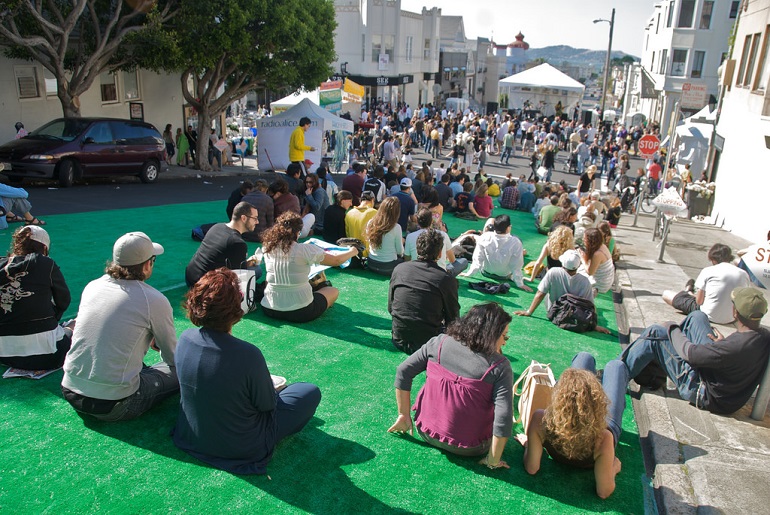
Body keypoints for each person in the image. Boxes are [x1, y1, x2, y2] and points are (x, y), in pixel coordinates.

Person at [172, 268, 321, 474]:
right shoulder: (247, 354)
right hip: (242, 445)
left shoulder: (185, 338)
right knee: (308, 392)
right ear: (237, 304)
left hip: (192, 435)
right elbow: (267, 405)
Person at [61, 232, 178, 421]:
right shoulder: (154, 299)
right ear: (148, 264)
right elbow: (173, 357)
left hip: (70, 389)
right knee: (183, 369)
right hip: (115, 403)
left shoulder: (92, 286)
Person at [388, 303, 514, 469]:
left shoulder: (439, 342)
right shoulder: (500, 367)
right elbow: (503, 416)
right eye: (504, 336)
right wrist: (493, 460)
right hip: (471, 449)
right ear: (490, 335)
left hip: (425, 432)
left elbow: (403, 371)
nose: (505, 343)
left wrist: (404, 415)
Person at [621, 287, 770, 415]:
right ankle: (653, 375)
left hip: (703, 392)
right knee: (697, 316)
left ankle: (618, 373)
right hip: (726, 393)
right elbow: (734, 354)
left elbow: (690, 354)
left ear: (735, 312)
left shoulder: (734, 346)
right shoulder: (763, 336)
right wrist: (721, 344)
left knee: (656, 332)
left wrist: (672, 329)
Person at [520, 352, 628, 499]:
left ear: (558, 397)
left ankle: (585, 385)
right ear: (597, 403)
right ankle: (595, 385)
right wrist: (614, 467)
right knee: (616, 366)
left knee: (584, 357)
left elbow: (532, 468)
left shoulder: (540, 419)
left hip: (564, 429)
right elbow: (604, 492)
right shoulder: (603, 437)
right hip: (600, 427)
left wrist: (528, 443)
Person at [260, 212, 358, 322]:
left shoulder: (266, 247)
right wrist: (352, 251)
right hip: (301, 312)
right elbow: (336, 260)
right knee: (333, 291)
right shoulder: (305, 250)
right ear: (298, 232)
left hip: (269, 308)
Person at [0, 226, 71, 370]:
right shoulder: (46, 264)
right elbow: (63, 300)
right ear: (44, 248)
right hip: (49, 355)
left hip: (4, 355)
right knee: (75, 326)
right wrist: (52, 318)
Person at [389, 229, 461, 354]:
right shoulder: (445, 279)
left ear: (417, 249)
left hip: (399, 338)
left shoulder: (400, 269)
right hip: (429, 343)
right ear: (440, 253)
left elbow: (391, 306)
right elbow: (453, 318)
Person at [662, 244, 750, 324]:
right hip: (731, 318)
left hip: (707, 315)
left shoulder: (708, 270)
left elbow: (699, 301)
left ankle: (688, 290)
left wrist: (692, 295)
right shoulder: (744, 274)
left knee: (666, 294)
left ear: (713, 260)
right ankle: (688, 290)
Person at [185, 202, 261, 287]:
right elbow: (240, 279)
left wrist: (246, 263)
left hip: (190, 276)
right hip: (205, 287)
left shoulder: (217, 226)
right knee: (257, 270)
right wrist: (262, 289)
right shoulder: (237, 243)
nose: (257, 222)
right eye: (255, 218)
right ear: (243, 218)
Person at [461, 215, 533, 293]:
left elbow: (477, 259)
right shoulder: (516, 242)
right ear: (509, 228)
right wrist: (520, 284)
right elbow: (516, 266)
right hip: (504, 276)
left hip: (486, 272)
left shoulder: (485, 236)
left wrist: (468, 274)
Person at [405, 208, 468, 277]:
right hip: (438, 273)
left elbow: (407, 260)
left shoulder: (410, 236)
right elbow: (452, 260)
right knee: (462, 261)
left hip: (418, 271)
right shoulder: (442, 235)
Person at [366, 197, 404, 276]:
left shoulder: (370, 222)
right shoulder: (396, 227)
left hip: (371, 263)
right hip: (388, 267)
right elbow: (400, 252)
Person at [579, 228, 614, 294]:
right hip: (606, 280)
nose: (583, 240)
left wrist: (583, 259)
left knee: (576, 275)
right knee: (580, 269)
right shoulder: (602, 246)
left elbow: (590, 272)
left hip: (600, 285)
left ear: (591, 240)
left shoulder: (597, 254)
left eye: (584, 238)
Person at [345, 191, 377, 255]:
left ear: (360, 200)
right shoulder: (375, 213)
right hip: (369, 254)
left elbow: (347, 233)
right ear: (372, 200)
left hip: (352, 252)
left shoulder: (349, 213)